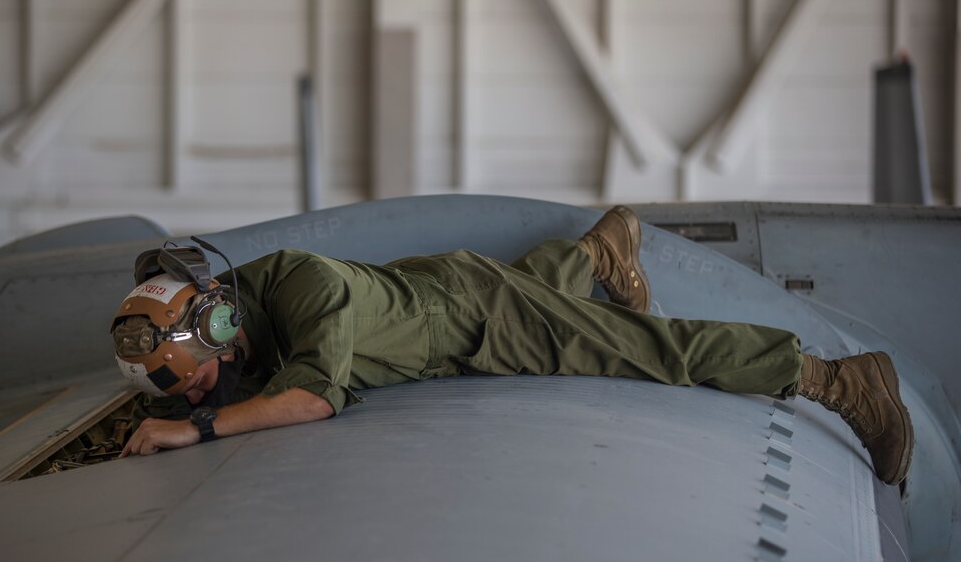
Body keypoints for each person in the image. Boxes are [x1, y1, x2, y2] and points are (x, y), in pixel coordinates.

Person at [111, 205, 913, 485]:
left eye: (199, 375)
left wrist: (200, 428)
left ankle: (838, 382)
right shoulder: (235, 298)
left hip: (475, 316)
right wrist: (192, 401)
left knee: (644, 348)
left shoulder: (302, 283)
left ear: (218, 322)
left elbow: (315, 397)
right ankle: (602, 250)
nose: (199, 389)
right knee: (564, 307)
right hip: (451, 309)